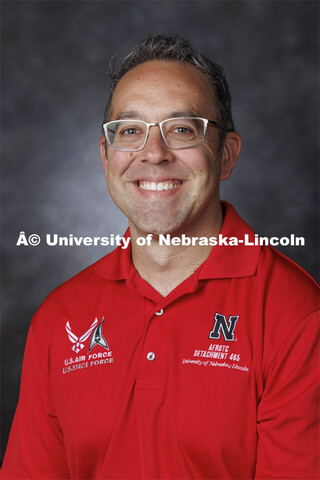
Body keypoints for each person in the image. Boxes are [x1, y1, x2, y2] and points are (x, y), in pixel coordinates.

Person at [1, 34, 319, 480]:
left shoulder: (297, 315)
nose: (153, 153)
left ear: (225, 157)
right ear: (106, 155)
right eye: (130, 131)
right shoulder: (59, 317)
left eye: (182, 129)